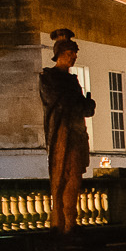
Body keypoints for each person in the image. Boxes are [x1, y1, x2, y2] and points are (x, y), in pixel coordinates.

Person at [40, 29, 96, 234]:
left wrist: (87, 105)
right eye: (71, 53)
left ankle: (70, 222)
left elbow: (80, 106)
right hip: (62, 135)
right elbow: (62, 103)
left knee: (75, 177)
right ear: (61, 53)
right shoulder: (49, 77)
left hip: (77, 134)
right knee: (64, 177)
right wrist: (82, 105)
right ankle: (63, 222)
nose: (74, 57)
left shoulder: (72, 80)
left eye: (75, 53)